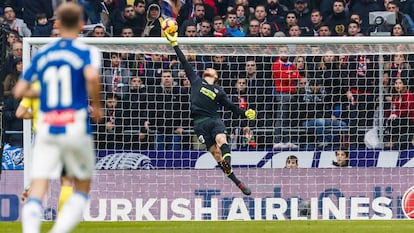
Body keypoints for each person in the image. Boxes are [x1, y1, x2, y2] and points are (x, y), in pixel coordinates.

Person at [13, 2, 103, 233]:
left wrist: (44, 91)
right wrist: (98, 106)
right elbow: (92, 76)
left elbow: (19, 91)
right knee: (80, 186)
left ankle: (30, 230)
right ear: (82, 26)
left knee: (38, 186)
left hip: (46, 126)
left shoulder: (43, 54)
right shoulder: (87, 51)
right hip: (75, 125)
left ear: (58, 24)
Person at [164, 30, 256, 195]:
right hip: (199, 124)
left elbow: (232, 107)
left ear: (216, 76)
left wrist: (245, 113)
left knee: (221, 139)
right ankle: (237, 182)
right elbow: (184, 62)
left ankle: (228, 163)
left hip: (213, 119)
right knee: (215, 154)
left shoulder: (218, 91)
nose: (209, 69)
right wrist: (174, 44)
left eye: (212, 69)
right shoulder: (196, 81)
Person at [16, 81, 74, 216]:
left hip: (42, 137)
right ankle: (63, 218)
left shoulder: (33, 88)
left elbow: (19, 113)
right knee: (66, 180)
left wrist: (35, 115)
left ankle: (31, 210)